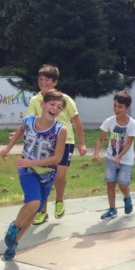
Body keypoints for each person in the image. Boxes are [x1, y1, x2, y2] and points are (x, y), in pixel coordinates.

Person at [0, 90, 67, 261]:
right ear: (42, 104)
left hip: (47, 174)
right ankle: (14, 227)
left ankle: (13, 243)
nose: (55, 108)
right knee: (34, 202)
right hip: (27, 168)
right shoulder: (29, 120)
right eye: (52, 104)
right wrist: (7, 148)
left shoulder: (60, 130)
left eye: (59, 107)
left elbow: (57, 158)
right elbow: (20, 131)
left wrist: (33, 162)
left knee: (34, 210)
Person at [25, 65, 87, 224]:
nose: (43, 82)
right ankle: (42, 211)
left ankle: (59, 200)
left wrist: (82, 143)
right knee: (43, 177)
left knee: (59, 176)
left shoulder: (65, 100)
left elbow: (77, 121)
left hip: (65, 142)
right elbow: (30, 122)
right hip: (44, 143)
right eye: (40, 79)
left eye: (47, 80)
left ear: (54, 82)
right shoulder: (35, 101)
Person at [92, 90, 135, 219]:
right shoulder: (109, 121)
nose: (116, 109)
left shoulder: (133, 124)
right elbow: (100, 139)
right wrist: (96, 153)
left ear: (127, 108)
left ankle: (127, 197)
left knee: (123, 185)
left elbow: (128, 143)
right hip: (111, 158)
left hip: (126, 160)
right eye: (115, 105)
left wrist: (120, 156)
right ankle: (112, 209)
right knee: (110, 183)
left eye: (120, 107)